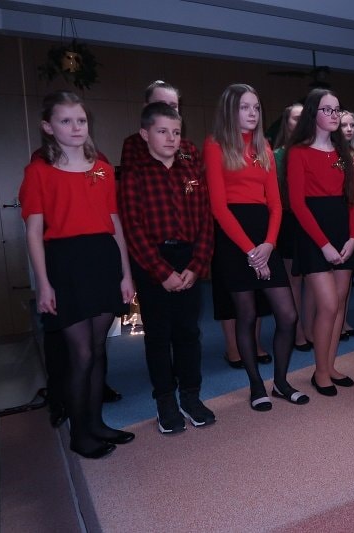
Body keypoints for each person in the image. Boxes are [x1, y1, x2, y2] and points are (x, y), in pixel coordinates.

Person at [19, 90, 134, 459]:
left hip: (103, 261)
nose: (75, 127)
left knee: (98, 350)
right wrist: (43, 284)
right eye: (65, 121)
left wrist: (126, 274)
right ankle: (79, 433)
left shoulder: (102, 168)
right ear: (48, 127)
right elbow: (34, 232)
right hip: (65, 264)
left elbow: (115, 224)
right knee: (80, 354)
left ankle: (97, 423)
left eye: (81, 120)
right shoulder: (39, 171)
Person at [204, 84, 307, 411]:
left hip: (265, 236)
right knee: (246, 315)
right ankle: (256, 386)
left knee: (288, 315)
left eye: (256, 107)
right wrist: (251, 251)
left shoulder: (263, 146)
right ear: (229, 110)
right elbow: (219, 208)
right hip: (234, 239)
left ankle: (281, 383)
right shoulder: (215, 145)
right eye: (244, 107)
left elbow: (275, 204)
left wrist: (268, 245)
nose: (252, 113)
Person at [118, 102, 216, 433]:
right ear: (144, 134)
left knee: (188, 333)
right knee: (158, 336)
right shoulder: (136, 173)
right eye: (162, 131)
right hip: (153, 262)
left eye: (176, 132)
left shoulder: (191, 170)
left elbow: (206, 221)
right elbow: (132, 228)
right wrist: (162, 273)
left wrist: (196, 265)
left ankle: (190, 396)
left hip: (189, 259)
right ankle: (165, 400)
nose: (171, 138)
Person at [286, 88, 354, 396]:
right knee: (327, 305)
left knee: (339, 304)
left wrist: (353, 237)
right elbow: (297, 204)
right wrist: (324, 245)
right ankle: (319, 372)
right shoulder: (298, 152)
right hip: (315, 236)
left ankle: (329, 366)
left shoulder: (344, 153)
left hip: (343, 233)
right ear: (312, 113)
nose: (334, 115)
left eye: (337, 109)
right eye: (327, 109)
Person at [273, 102, 314, 352]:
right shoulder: (277, 155)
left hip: (312, 219)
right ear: (286, 123)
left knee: (314, 280)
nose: (300, 123)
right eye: (295, 118)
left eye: (303, 118)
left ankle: (308, 329)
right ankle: (297, 331)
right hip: (289, 220)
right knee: (295, 281)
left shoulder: (313, 151)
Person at [338, 110, 354, 340]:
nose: (349, 129)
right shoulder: (333, 153)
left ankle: (342, 320)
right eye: (344, 125)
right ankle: (335, 322)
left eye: (352, 125)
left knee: (348, 274)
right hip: (337, 214)